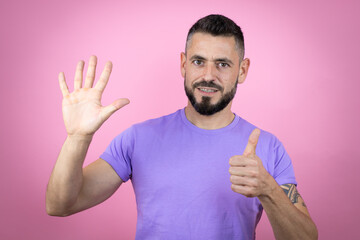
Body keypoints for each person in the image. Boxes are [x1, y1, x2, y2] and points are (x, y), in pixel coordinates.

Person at [46, 14, 318, 240]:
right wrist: (77, 138)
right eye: (198, 61)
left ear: (243, 71)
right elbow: (60, 205)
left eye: (222, 64)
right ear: (183, 64)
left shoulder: (267, 148)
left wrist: (269, 190)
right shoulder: (138, 138)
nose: (208, 76)